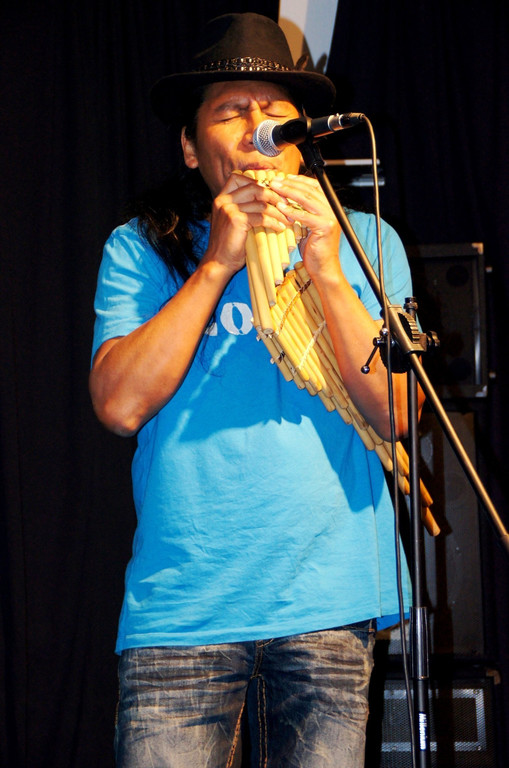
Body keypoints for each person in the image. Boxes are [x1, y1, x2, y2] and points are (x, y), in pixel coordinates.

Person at [90, 12, 422, 768]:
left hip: (329, 599)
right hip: (183, 609)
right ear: (189, 145)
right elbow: (119, 405)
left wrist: (325, 267)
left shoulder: (368, 241)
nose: (257, 128)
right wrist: (216, 265)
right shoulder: (141, 246)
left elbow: (399, 413)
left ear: (299, 141)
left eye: (275, 112)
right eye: (230, 110)